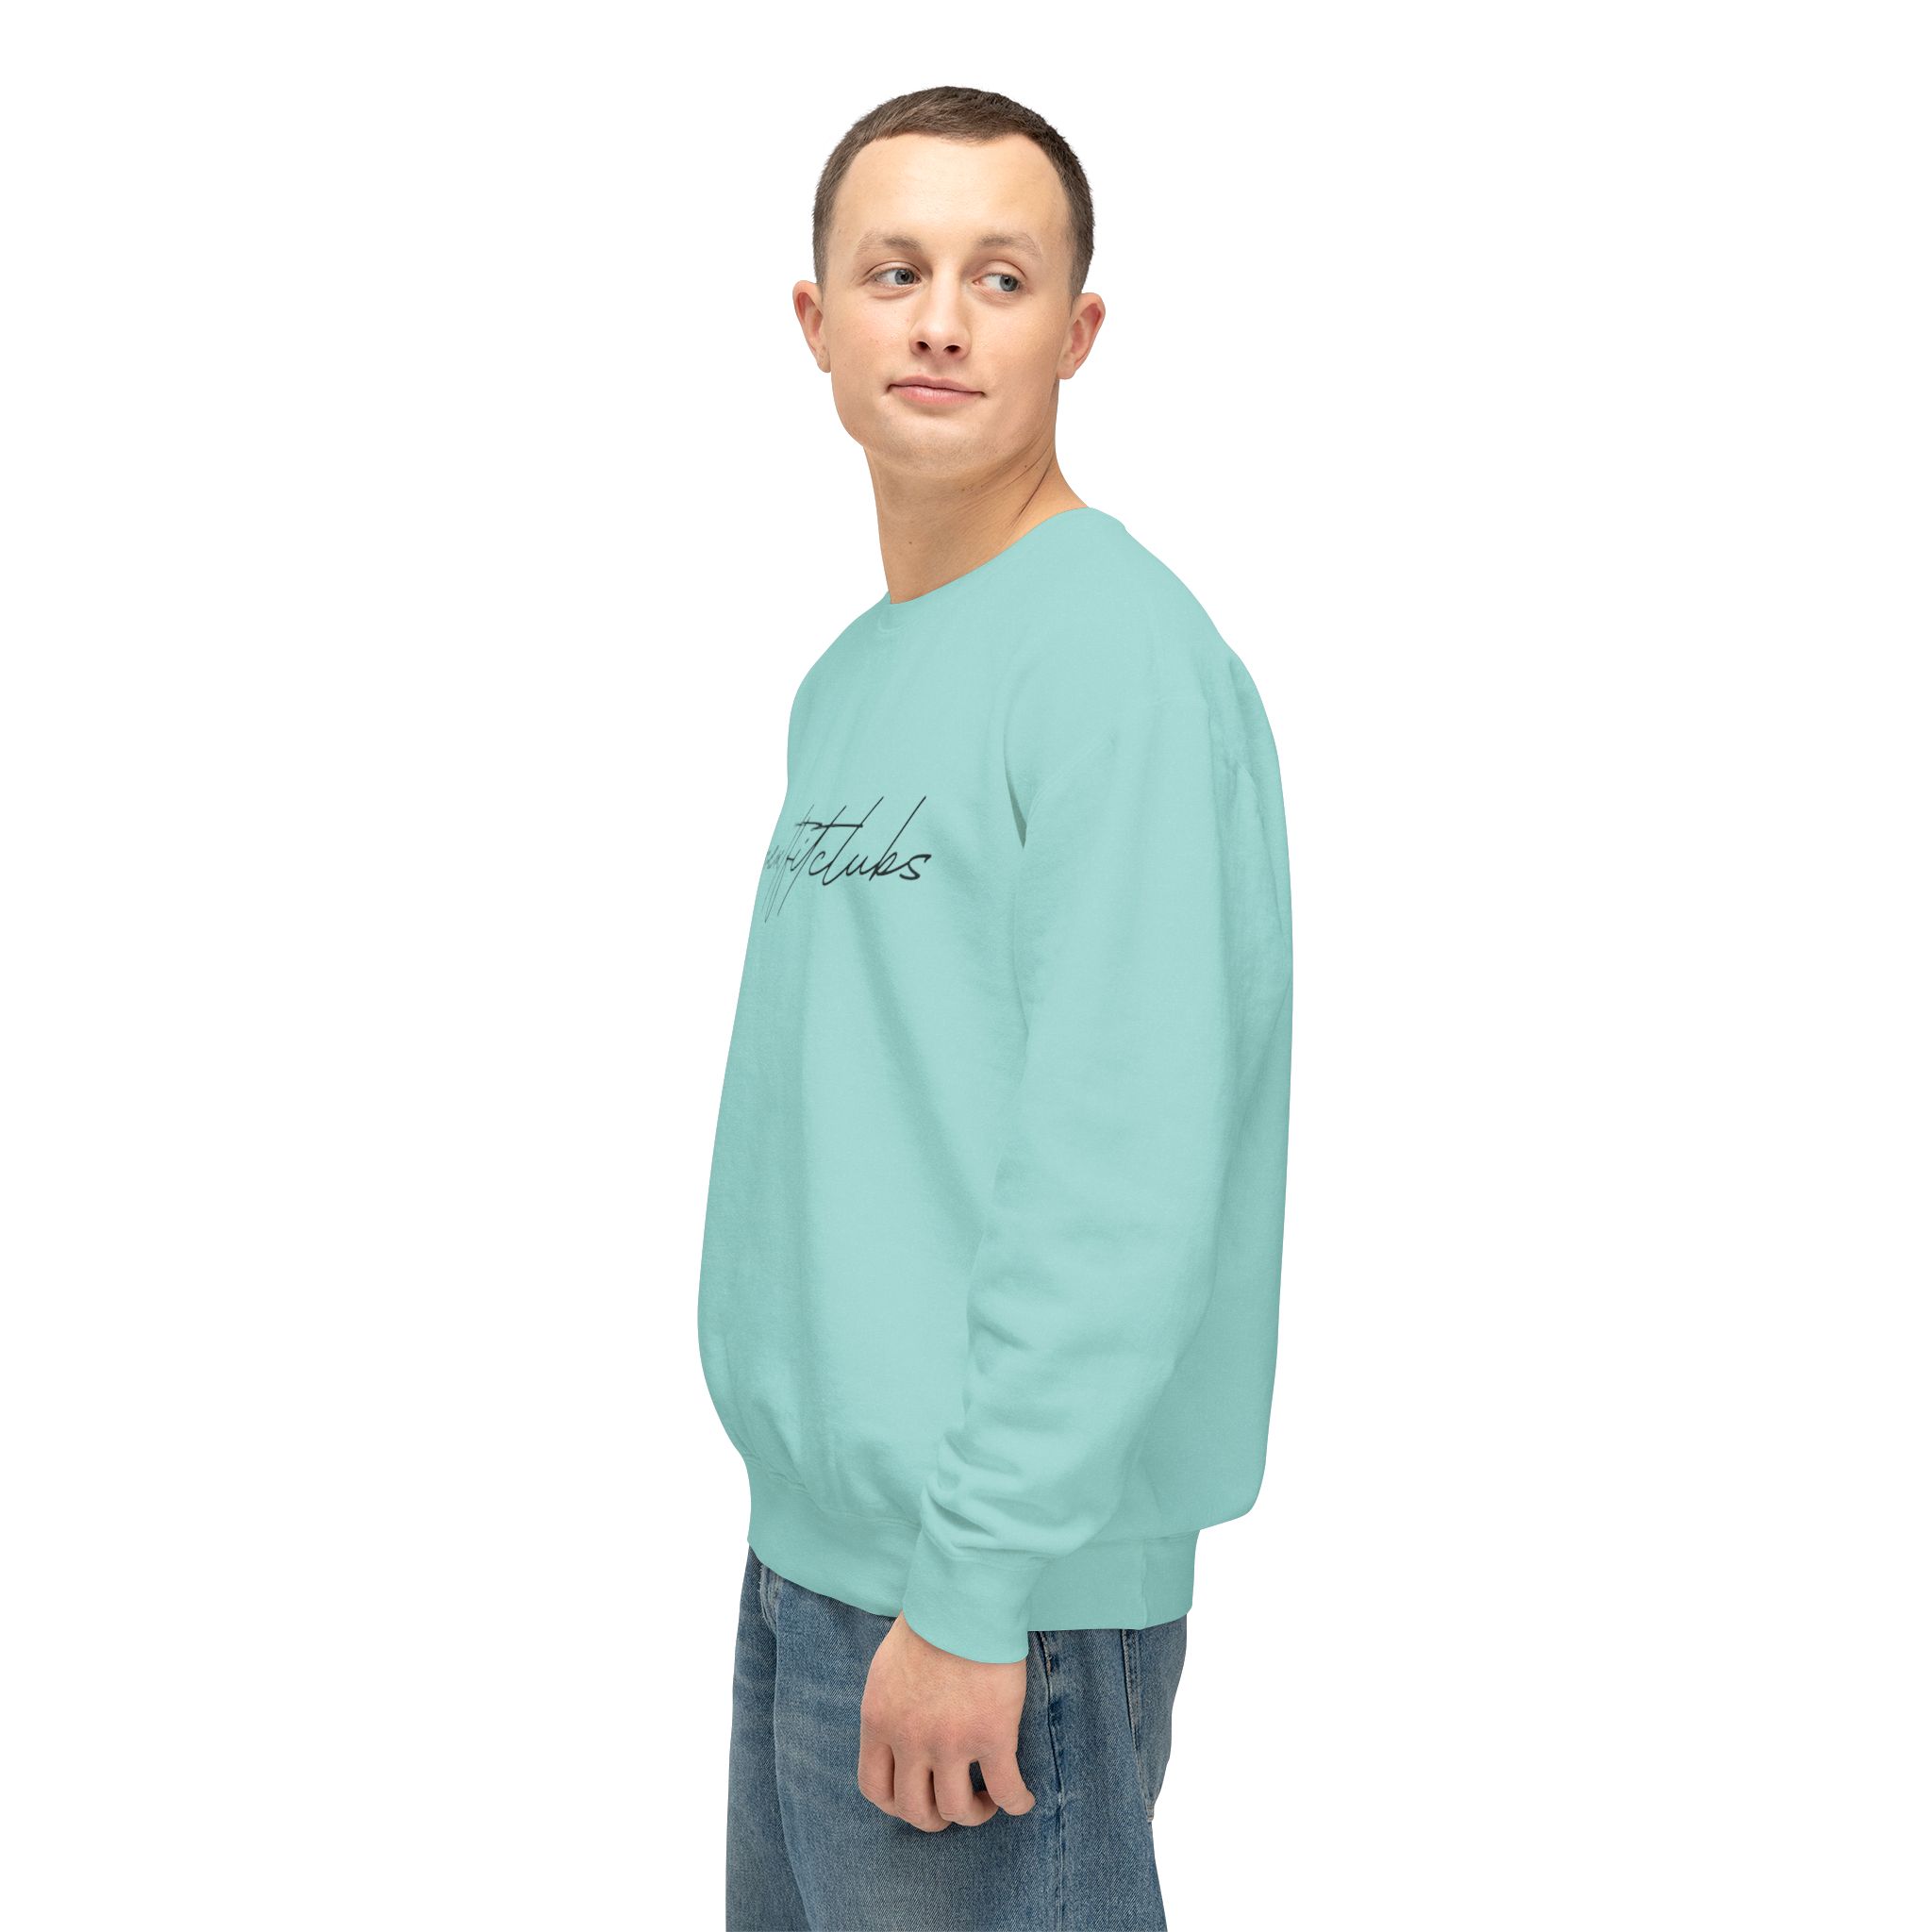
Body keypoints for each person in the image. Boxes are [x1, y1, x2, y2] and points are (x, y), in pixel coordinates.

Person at [696, 84, 1294, 1931]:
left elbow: (1120, 1171)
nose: (943, 321)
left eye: (1001, 277)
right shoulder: (853, 677)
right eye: (896, 272)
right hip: (821, 1570)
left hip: (993, 1605)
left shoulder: (1116, 661)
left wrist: (973, 1588)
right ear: (817, 321)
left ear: (1076, 330)